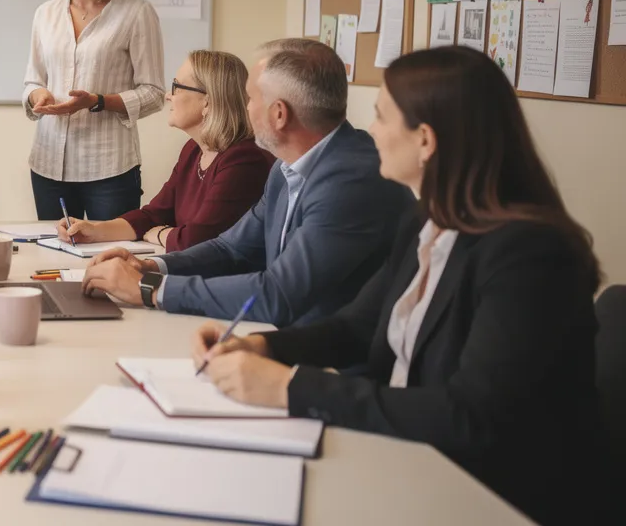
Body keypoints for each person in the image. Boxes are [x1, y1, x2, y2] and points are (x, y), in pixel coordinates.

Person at [188, 46, 607, 526]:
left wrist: (291, 386)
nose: (372, 132)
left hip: (491, 496)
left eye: (382, 117)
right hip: (411, 461)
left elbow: (470, 415)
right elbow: (356, 327)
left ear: (425, 140)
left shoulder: (530, 257)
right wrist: (261, 346)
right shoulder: (425, 221)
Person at [81, 38, 412, 327]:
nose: (244, 107)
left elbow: (280, 293)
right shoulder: (287, 167)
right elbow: (231, 247)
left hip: (332, 362)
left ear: (278, 114)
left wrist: (150, 289)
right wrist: (151, 265)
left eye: (251, 98)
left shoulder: (350, 181)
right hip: (281, 336)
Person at [23, 0, 166, 221]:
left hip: (109, 169)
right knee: (53, 257)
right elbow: (33, 81)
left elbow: (154, 93)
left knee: (112, 259)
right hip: (48, 165)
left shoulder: (137, 13)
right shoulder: (45, 14)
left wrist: (98, 102)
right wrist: (38, 97)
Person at [57, 50, 273, 253]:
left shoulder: (244, 160)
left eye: (177, 87)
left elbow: (197, 239)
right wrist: (95, 231)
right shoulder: (193, 150)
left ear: (207, 101)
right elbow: (154, 214)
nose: (169, 96)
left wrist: (159, 233)